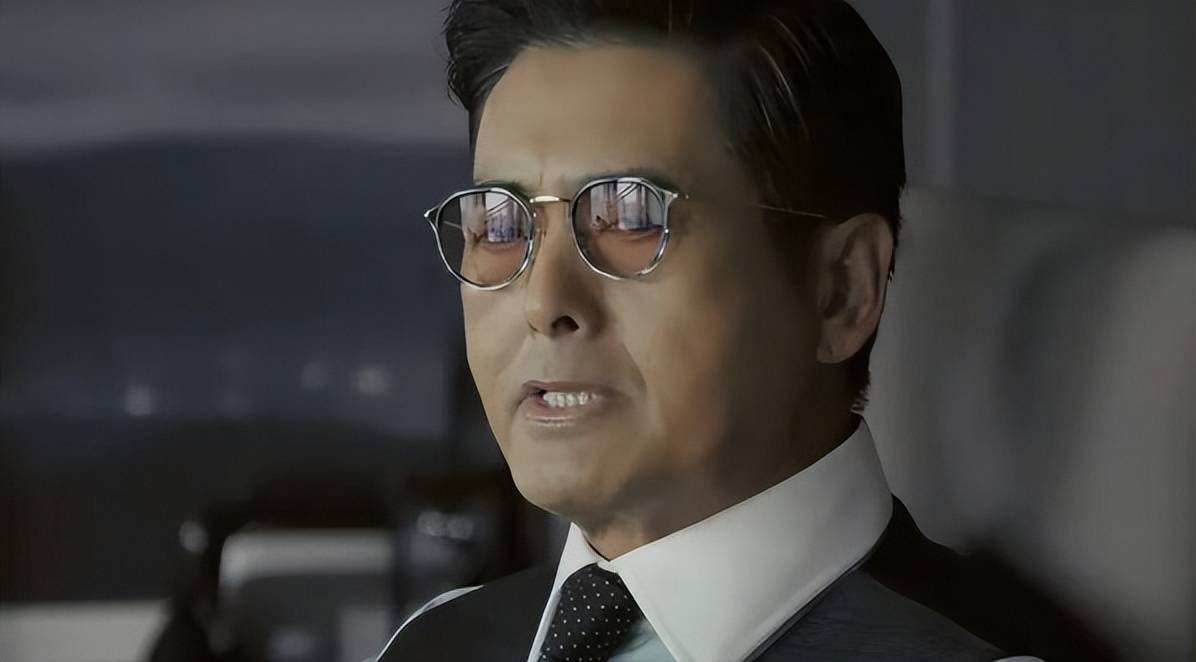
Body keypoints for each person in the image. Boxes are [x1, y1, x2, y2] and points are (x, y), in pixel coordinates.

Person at [380, 1, 1110, 660]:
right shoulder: (434, 640)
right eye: (499, 225)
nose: (544, 301)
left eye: (632, 216)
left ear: (841, 290)